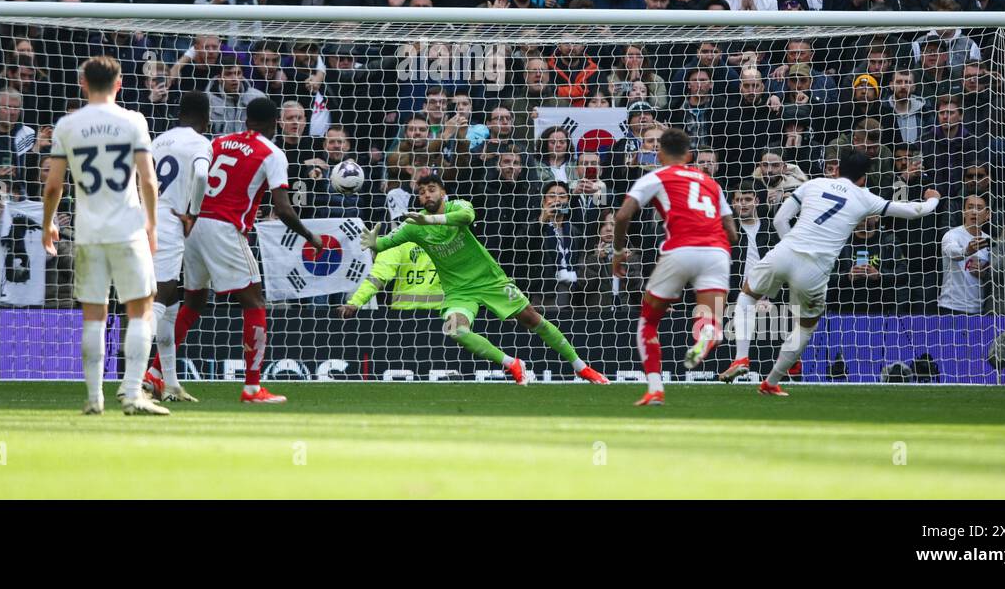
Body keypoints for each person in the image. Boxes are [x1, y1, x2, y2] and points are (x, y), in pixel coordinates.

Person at [724, 148, 941, 393]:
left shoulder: (813, 184)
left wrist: (790, 247)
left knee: (747, 295)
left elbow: (778, 221)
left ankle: (741, 357)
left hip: (786, 252)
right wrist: (932, 197)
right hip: (814, 270)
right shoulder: (866, 198)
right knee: (805, 327)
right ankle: (771, 382)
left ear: (837, 169)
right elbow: (915, 211)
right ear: (863, 178)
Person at [360, 173, 608, 385]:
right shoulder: (415, 225)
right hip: (459, 291)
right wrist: (373, 243)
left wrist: (431, 219)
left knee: (533, 319)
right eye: (422, 192)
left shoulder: (458, 206)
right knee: (455, 330)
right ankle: (512, 363)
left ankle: (581, 367)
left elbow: (466, 218)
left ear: (443, 193)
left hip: (490, 281)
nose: (427, 195)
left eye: (432, 190)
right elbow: (385, 243)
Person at [172, 96, 321, 404]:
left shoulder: (220, 141)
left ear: (246, 119)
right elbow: (282, 208)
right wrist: (310, 235)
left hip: (195, 224)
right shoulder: (273, 153)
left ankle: (156, 373)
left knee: (194, 301)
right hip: (225, 229)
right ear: (275, 123)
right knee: (254, 302)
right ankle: (252, 388)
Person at [40, 55, 167, 416]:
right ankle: (131, 393)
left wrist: (49, 222)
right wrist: (152, 224)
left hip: (88, 232)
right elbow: (148, 179)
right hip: (127, 228)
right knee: (141, 308)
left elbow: (53, 186)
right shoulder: (133, 121)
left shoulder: (67, 125)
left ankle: (94, 398)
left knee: (94, 314)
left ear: (83, 84)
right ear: (119, 84)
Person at [612, 127, 739, 406]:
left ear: (659, 154)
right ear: (690, 155)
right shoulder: (710, 182)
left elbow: (622, 215)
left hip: (680, 249)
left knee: (648, 321)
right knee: (709, 318)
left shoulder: (655, 176)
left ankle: (655, 389)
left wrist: (618, 251)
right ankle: (709, 333)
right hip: (717, 251)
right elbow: (732, 233)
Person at [141, 91, 212, 403]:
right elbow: (201, 173)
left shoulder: (159, 141)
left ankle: (169, 383)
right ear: (205, 118)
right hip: (170, 222)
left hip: (146, 217)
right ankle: (135, 379)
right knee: (160, 295)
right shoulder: (200, 143)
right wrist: (193, 212)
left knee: (170, 308)